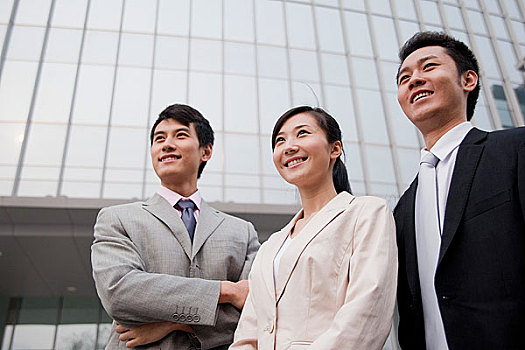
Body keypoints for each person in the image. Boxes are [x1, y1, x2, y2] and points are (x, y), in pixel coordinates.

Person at [394, 31, 525, 350]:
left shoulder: (515, 150)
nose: (414, 80)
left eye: (429, 67)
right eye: (404, 77)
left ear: (468, 80)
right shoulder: (401, 209)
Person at [92, 104, 260, 349]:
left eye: (180, 135)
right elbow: (118, 292)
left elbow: (256, 305)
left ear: (206, 151)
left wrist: (175, 324)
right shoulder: (116, 219)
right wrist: (226, 291)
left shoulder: (242, 232)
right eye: (159, 138)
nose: (166, 144)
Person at [230, 106, 398, 349]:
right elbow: (248, 332)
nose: (289, 146)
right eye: (280, 140)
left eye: (302, 134)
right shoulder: (271, 247)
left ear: (335, 149)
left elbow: (367, 310)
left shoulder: (366, 213)